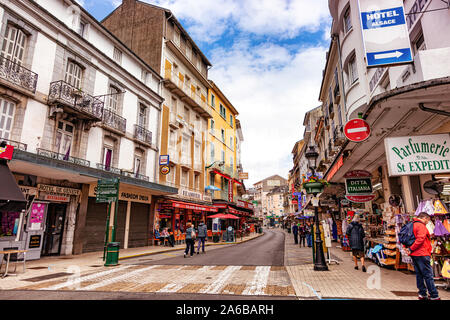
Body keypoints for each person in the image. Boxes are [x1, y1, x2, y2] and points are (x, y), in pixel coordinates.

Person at [406, 212, 440, 300]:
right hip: (422, 253)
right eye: (428, 220)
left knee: (419, 274)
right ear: (424, 218)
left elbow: (406, 238)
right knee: (428, 275)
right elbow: (420, 239)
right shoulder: (420, 226)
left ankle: (422, 293)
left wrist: (409, 249)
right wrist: (411, 248)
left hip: (415, 254)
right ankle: (434, 295)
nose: (428, 222)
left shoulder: (412, 224)